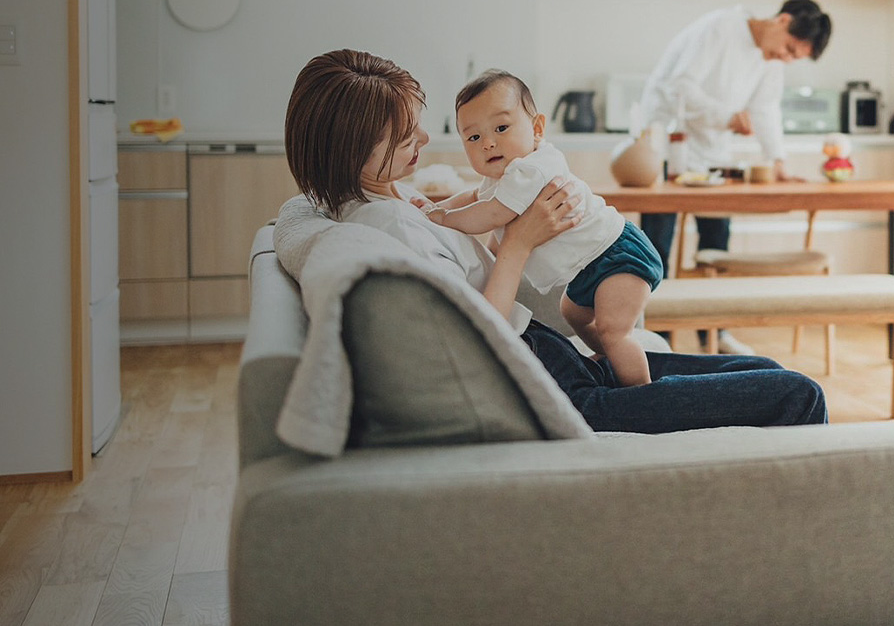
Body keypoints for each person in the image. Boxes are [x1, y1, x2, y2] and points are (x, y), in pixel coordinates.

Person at [283, 48, 828, 432]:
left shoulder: (391, 202)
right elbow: (481, 335)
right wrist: (521, 240)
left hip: (554, 355)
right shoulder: (389, 227)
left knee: (770, 374)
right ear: (357, 146)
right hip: (552, 383)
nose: (425, 138)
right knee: (799, 394)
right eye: (405, 134)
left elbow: (467, 218)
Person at [417, 69, 662, 387]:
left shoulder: (531, 168)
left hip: (617, 254)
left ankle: (642, 393)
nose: (488, 143)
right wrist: (438, 207)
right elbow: (476, 196)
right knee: (574, 314)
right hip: (589, 266)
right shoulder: (502, 174)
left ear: (536, 129)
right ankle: (612, 359)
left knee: (614, 329)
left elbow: (491, 214)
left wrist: (442, 219)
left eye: (501, 128)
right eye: (474, 137)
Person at [639, 0, 832, 355]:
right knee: (658, 245)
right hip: (668, 143)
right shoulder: (721, 28)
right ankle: (657, 337)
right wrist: (726, 117)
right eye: (789, 48)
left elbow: (765, 109)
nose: (785, 59)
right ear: (782, 20)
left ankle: (715, 333)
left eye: (794, 57)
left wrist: (779, 162)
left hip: (712, 153)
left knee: (717, 242)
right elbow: (680, 86)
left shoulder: (771, 59)